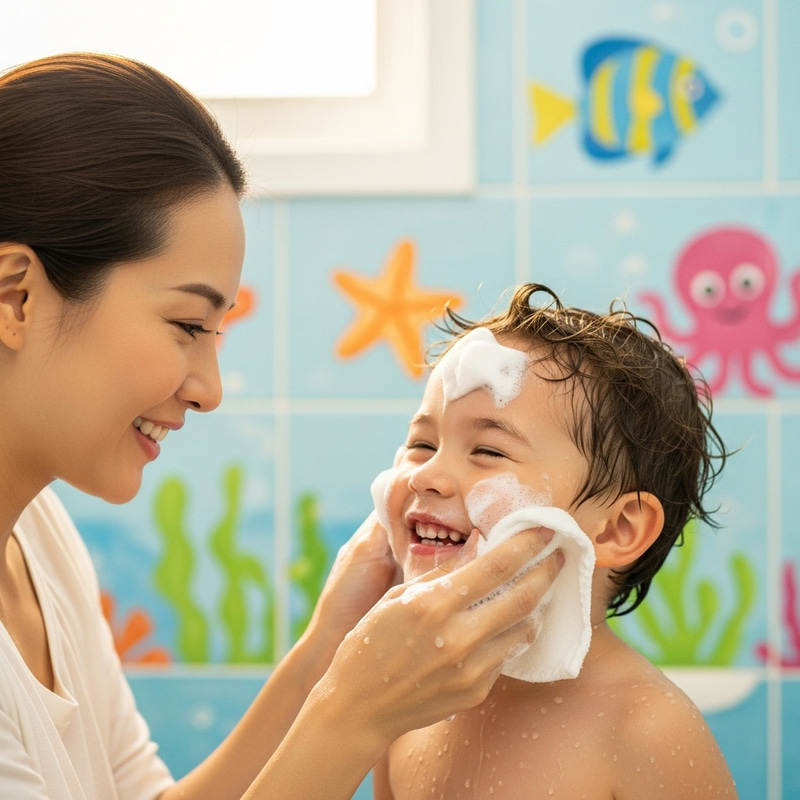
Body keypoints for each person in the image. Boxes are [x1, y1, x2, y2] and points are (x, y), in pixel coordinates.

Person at [0, 54, 565, 800]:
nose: (210, 390)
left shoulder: (36, 535)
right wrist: (353, 716)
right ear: (15, 296)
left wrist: (329, 650)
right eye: (186, 324)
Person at [371, 283, 739, 799]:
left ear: (617, 529)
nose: (427, 475)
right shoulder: (398, 706)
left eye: (488, 451)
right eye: (422, 443)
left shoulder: (645, 729)